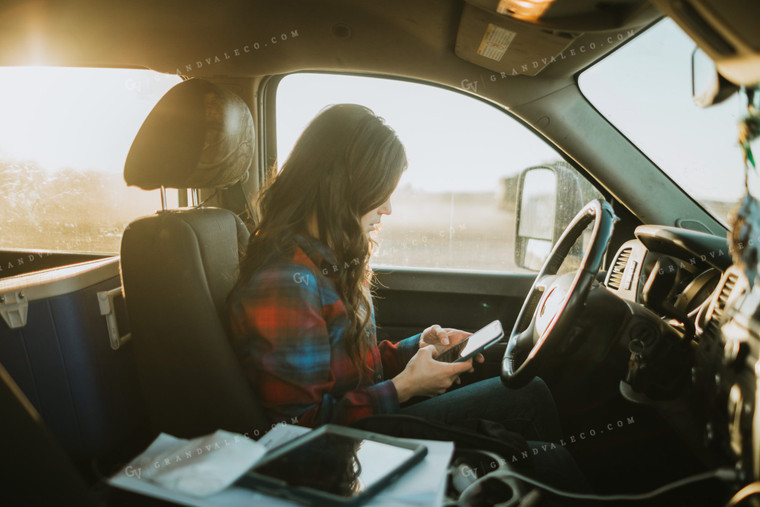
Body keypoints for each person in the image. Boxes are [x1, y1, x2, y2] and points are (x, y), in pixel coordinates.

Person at [227, 105, 585, 492]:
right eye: (381, 191)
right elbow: (297, 433)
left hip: (361, 429)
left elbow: (345, 367)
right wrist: (405, 388)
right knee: (548, 457)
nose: (388, 208)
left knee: (530, 394)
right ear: (343, 186)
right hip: (347, 455)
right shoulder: (287, 283)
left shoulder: (326, 260)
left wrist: (414, 349)